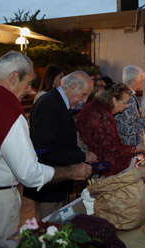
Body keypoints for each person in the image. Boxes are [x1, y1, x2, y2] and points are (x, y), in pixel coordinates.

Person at [0, 51, 91, 243]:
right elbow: (30, 174)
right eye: (29, 82)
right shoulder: (8, 111)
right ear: (14, 78)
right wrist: (70, 172)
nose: (30, 90)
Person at [23, 71, 98, 220]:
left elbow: (65, 140)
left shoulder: (59, 102)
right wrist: (81, 156)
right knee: (47, 228)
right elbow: (46, 147)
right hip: (49, 183)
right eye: (83, 95)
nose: (84, 100)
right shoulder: (48, 103)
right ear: (73, 86)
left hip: (59, 181)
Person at [76, 83, 145, 177]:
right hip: (90, 161)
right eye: (124, 103)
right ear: (114, 100)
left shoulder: (100, 107)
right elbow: (114, 148)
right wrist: (140, 148)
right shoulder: (104, 114)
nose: (126, 107)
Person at [115, 65, 145, 146]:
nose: (139, 84)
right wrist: (144, 121)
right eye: (139, 81)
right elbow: (127, 128)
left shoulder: (128, 95)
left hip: (132, 145)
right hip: (130, 146)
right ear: (133, 80)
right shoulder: (128, 98)